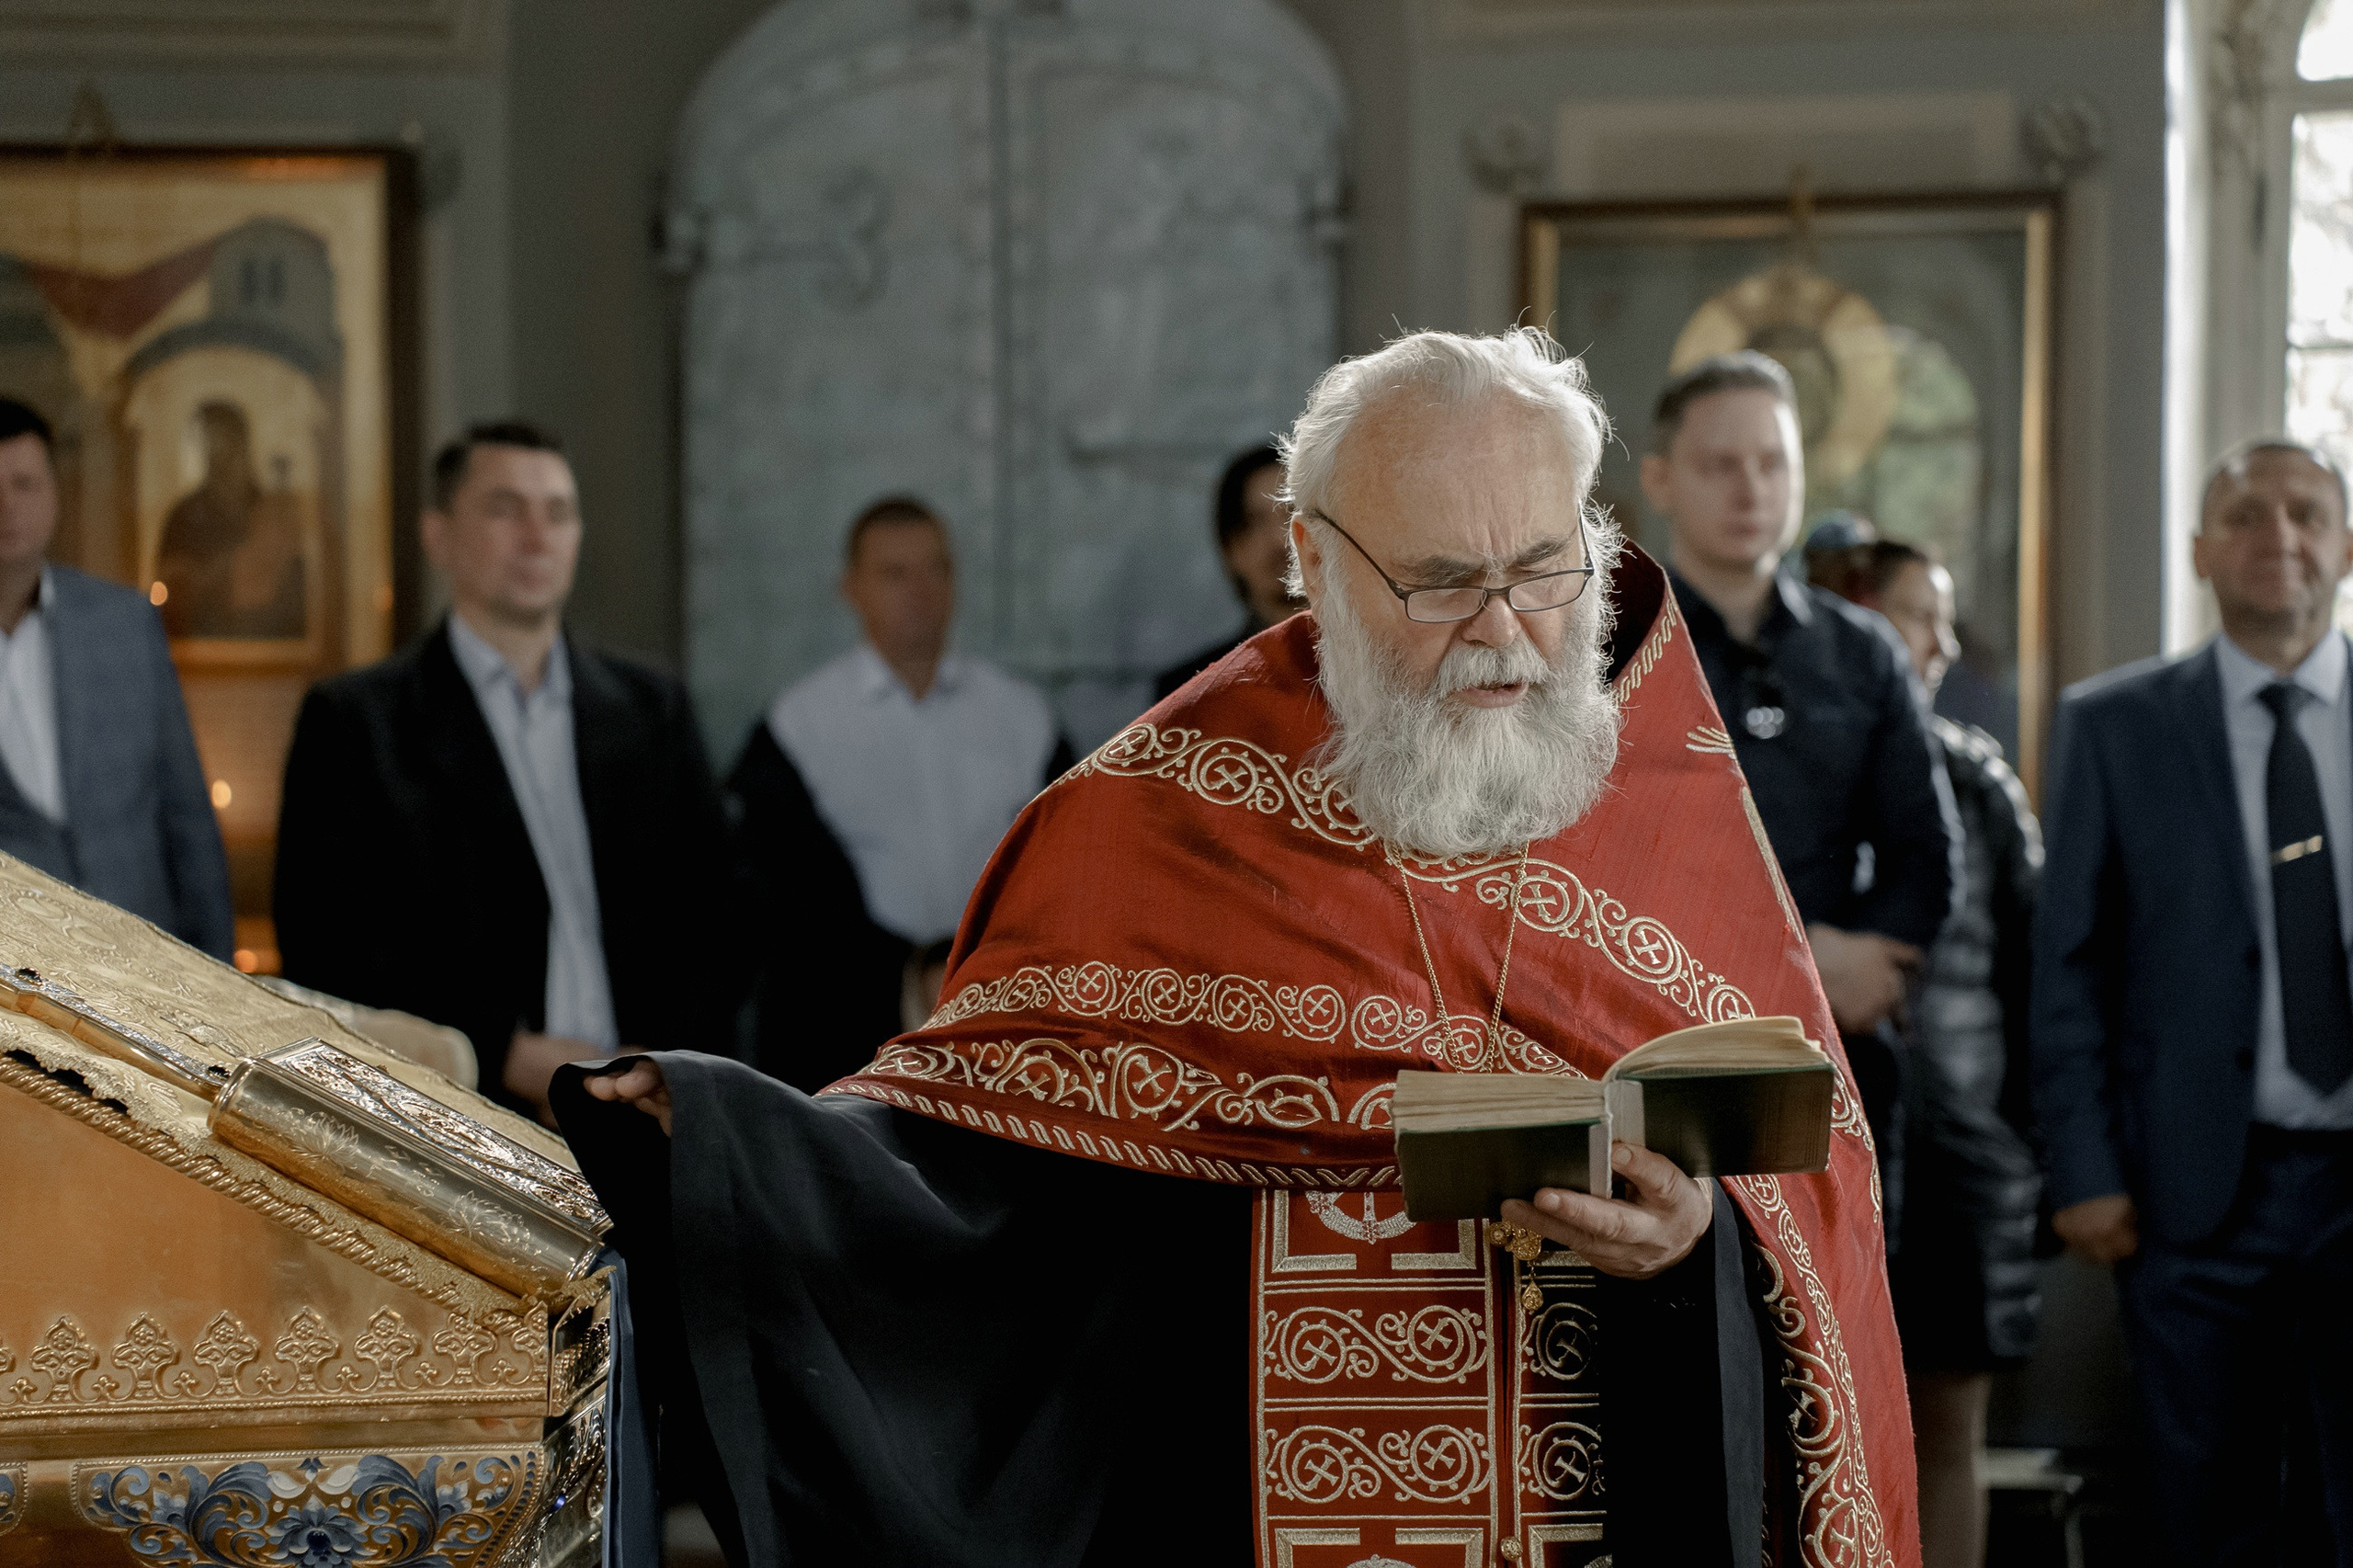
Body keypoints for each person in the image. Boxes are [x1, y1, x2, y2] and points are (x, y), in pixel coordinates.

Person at [558, 329, 1916, 1566]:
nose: (1504, 629)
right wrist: (737, 1144)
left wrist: (1688, 1252)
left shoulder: (1670, 799)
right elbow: (985, 1168)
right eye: (1443, 580)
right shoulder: (1161, 810)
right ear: (1314, 567)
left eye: (1544, 567)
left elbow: (1807, 1244)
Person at [2034, 438, 2353, 1563]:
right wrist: (2082, 1167)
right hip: (2186, 1191)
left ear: (2346, 544)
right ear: (2200, 549)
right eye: (2249, 513)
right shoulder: (2113, 725)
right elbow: (2065, 959)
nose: (2281, 536)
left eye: (2308, 512)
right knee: (2203, 1509)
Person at [273, 419, 737, 1121]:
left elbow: (718, 912)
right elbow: (331, 945)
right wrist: (507, 1054)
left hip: (657, 1115)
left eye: (558, 513)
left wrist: (663, 1066)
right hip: (463, 1117)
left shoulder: (652, 710)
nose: (536, 536)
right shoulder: (356, 721)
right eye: (504, 509)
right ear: (438, 536)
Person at [1642, 351, 1958, 1230]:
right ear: (1661, 479)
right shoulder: (1606, 654)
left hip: (1838, 1064)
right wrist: (1796, 969)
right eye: (1719, 465)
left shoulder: (1863, 653)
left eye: (1772, 462)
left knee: (1841, 1344)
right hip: (1653, 1054)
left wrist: (1852, 968)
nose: (1751, 488)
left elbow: (1926, 860)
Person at [1821, 538, 2042, 1568]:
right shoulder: (1787, 766)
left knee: (1950, 1429)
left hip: (1960, 1157)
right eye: (1920, 614)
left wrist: (2026, 1153)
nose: (1943, 643)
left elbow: (2037, 984)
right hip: (1828, 1143)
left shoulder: (1977, 782)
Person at [730, 497, 1067, 1092]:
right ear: (850, 588)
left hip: (1000, 1027)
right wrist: (908, 975)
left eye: (937, 568)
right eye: (894, 573)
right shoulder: (799, 723)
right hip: (842, 1031)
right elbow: (786, 893)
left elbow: (1067, 867)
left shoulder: (1022, 715)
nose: (921, 589)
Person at [0, 397, 232, 958]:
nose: (6, 508)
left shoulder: (123, 622)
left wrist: (221, 971)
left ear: (56, 493)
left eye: (24, 484)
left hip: (145, 956)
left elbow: (186, 812)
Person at [1153, 445, 1303, 699]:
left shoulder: (1378, 664)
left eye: (1291, 514)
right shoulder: (1192, 692)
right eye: (1255, 522)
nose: (1280, 540)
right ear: (1231, 549)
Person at [154, 400, 308, 641]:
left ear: (241, 445)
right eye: (209, 442)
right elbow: (167, 590)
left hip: (268, 641)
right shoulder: (184, 515)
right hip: (201, 642)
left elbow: (294, 578)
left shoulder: (268, 510)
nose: (217, 454)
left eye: (224, 442)